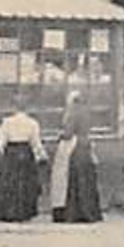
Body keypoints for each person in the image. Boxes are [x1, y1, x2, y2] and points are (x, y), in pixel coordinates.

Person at [0, 99, 46, 222]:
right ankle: (24, 212)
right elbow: (36, 142)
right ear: (27, 108)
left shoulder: (7, 122)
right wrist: (40, 155)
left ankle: (9, 212)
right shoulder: (32, 123)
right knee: (25, 183)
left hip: (11, 152)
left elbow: (2, 141)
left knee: (10, 183)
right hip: (26, 151)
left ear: (14, 108)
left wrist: (3, 153)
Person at [51, 92, 103, 223]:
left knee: (73, 179)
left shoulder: (72, 113)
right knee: (86, 180)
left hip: (75, 147)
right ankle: (89, 211)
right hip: (86, 146)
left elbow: (68, 133)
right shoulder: (87, 113)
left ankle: (74, 212)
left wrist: (60, 135)